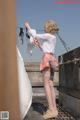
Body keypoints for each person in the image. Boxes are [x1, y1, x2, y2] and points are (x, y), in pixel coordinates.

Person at [25, 20, 59, 119]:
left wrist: (28, 26)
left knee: (46, 84)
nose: (44, 28)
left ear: (48, 27)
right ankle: (54, 109)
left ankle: (52, 110)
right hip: (52, 58)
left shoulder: (48, 36)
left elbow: (34, 34)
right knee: (51, 84)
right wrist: (39, 45)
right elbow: (46, 50)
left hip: (47, 59)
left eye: (45, 27)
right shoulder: (53, 38)